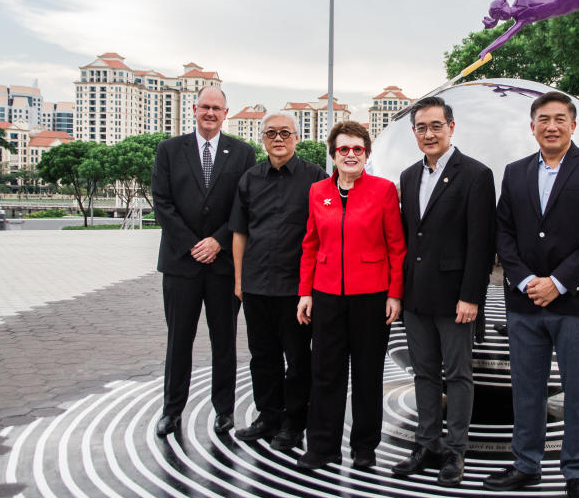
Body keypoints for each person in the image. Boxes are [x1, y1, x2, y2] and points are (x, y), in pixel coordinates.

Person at [485, 91, 579, 498]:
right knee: (526, 388)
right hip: (524, 302)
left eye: (560, 119)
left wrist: (558, 282)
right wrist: (526, 279)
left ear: (573, 125)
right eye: (543, 119)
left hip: (573, 303)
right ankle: (526, 464)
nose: (551, 126)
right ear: (532, 126)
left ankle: (577, 474)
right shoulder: (515, 172)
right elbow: (503, 234)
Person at [392, 96, 496, 486]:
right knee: (423, 375)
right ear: (413, 132)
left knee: (457, 375)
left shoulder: (476, 174)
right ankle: (426, 445)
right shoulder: (408, 176)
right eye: (422, 127)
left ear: (451, 128)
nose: (429, 133)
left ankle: (455, 452)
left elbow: (481, 244)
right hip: (416, 297)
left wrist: (471, 297)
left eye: (436, 125)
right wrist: (399, 293)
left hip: (456, 299)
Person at [296, 121, 406, 471]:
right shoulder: (317, 192)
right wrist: (305, 292)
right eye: (343, 149)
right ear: (333, 154)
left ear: (366, 153)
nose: (351, 155)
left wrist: (394, 293)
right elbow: (310, 244)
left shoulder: (384, 190)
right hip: (326, 294)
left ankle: (364, 448)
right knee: (325, 373)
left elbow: (397, 247)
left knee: (367, 374)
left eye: (357, 149)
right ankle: (323, 446)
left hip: (371, 296)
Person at [151, 85, 257, 437]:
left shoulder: (242, 153)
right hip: (181, 264)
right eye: (205, 107)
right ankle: (171, 410)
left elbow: (244, 206)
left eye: (217, 108)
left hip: (223, 265)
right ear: (193, 109)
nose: (210, 113)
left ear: (226, 114)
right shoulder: (169, 150)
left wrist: (218, 241)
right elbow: (162, 204)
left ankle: (224, 411)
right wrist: (194, 244)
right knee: (179, 340)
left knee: (224, 340)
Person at [229, 113, 326, 449]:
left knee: (298, 360)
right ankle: (268, 416)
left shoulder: (315, 179)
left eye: (285, 132)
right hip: (256, 286)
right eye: (271, 133)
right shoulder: (250, 179)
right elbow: (239, 233)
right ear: (263, 139)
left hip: (296, 290)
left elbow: (326, 233)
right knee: (263, 357)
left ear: (296, 137)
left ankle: (294, 422)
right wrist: (240, 282)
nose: (278, 138)